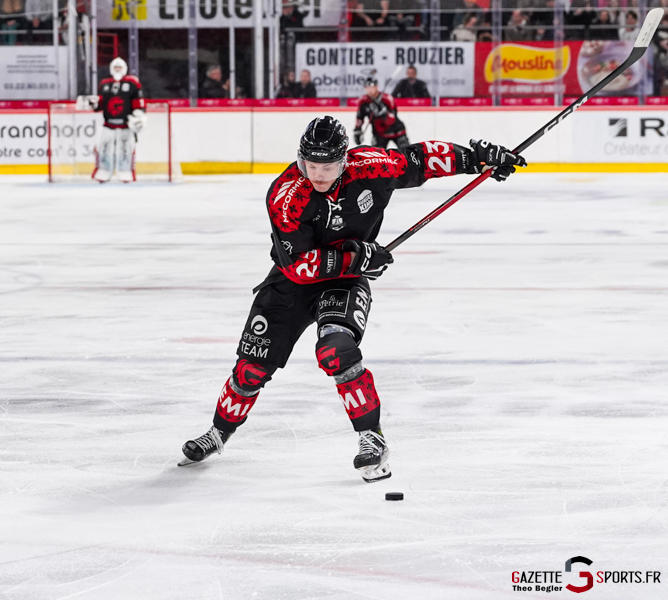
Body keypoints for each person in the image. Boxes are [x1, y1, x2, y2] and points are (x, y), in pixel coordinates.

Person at [179, 116, 526, 482]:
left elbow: (419, 160)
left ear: (343, 160)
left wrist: (477, 159)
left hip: (343, 282)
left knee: (336, 350)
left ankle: (371, 439)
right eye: (311, 165)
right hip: (291, 281)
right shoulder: (286, 195)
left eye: (328, 166)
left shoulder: (370, 167)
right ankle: (218, 433)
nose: (318, 174)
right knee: (251, 369)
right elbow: (300, 266)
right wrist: (359, 257)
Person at [76, 57, 146, 183]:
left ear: (124, 69)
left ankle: (125, 171)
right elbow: (101, 104)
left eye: (120, 67)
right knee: (103, 148)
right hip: (108, 125)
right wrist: (93, 104)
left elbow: (138, 101)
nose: (117, 69)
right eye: (115, 67)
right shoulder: (105, 84)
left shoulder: (132, 83)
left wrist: (138, 116)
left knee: (126, 149)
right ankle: (103, 170)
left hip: (126, 125)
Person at [354, 76, 408, 150]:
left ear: (377, 87)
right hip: (379, 134)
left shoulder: (387, 99)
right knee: (376, 155)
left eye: (372, 87)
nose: (369, 90)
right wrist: (358, 130)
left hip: (397, 131)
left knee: (406, 153)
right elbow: (360, 117)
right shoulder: (363, 101)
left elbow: (393, 118)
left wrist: (384, 113)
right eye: (367, 87)